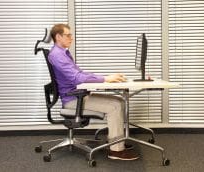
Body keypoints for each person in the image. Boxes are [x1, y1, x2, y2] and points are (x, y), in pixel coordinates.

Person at [48, 23, 139, 160]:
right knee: (115, 107)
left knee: (120, 101)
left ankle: (115, 141)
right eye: (68, 35)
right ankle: (116, 151)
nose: (71, 38)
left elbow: (79, 74)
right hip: (73, 100)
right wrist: (105, 79)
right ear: (58, 37)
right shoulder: (57, 55)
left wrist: (105, 78)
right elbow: (77, 78)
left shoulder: (63, 53)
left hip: (78, 96)